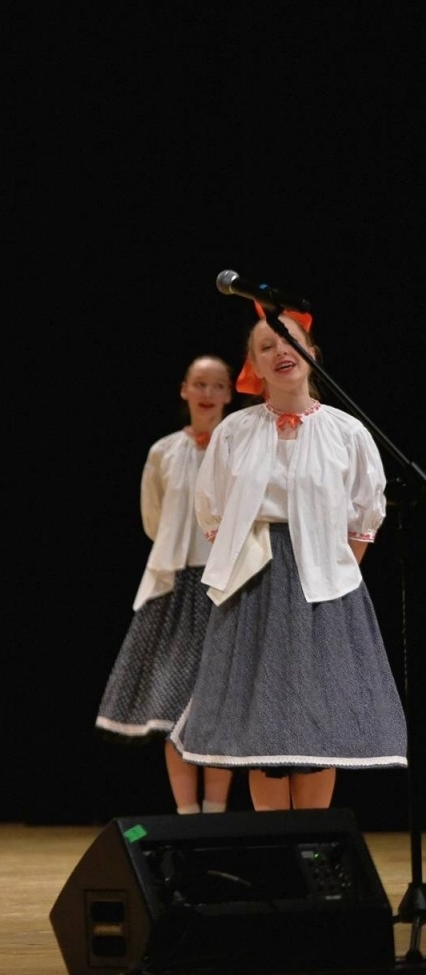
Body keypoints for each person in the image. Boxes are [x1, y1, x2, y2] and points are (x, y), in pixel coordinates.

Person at [169, 307, 408, 809]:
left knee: (319, 719)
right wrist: (254, 567)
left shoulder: (347, 432)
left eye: (289, 340)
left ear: (310, 353)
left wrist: (334, 576)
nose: (280, 350)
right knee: (264, 723)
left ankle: (316, 841)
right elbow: (211, 509)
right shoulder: (237, 431)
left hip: (326, 582)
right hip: (256, 579)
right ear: (253, 366)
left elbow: (364, 515)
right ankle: (274, 845)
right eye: (266, 345)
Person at [95, 355, 236, 814]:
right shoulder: (163, 452)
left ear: (230, 394)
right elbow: (153, 519)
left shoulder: (241, 446)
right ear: (184, 390)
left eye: (218, 385)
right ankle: (186, 816)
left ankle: (215, 816)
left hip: (226, 584)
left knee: (219, 706)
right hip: (177, 583)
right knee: (173, 707)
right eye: (200, 383)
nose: (208, 393)